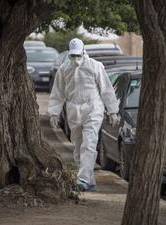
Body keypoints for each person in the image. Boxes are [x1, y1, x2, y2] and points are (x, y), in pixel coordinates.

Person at [48, 38, 119, 191]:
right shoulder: (64, 69)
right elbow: (57, 92)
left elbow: (106, 89)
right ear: (69, 54)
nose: (75, 59)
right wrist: (54, 113)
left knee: (89, 144)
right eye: (72, 56)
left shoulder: (95, 66)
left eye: (78, 55)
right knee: (78, 146)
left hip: (93, 108)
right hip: (73, 109)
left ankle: (82, 179)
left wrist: (113, 111)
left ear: (83, 52)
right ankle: (89, 181)